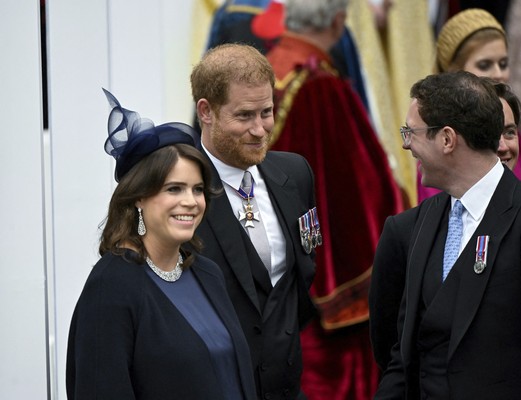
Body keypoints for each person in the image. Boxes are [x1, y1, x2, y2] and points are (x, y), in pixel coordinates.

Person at [371, 71, 521, 399]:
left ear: (447, 139)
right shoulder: (416, 225)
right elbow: (400, 356)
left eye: (412, 132)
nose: (405, 143)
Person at [66, 90, 256, 399]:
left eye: (197, 190)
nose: (190, 202)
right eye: (174, 189)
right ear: (139, 196)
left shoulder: (207, 274)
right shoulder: (111, 286)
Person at [265, 0, 404, 399]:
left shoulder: (270, 69)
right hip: (322, 299)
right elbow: (350, 189)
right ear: (339, 21)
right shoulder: (318, 85)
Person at [190, 43, 318, 400]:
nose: (260, 130)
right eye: (245, 116)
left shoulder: (295, 173)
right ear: (207, 111)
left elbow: (303, 271)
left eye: (266, 112)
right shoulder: (178, 192)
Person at [369, 79, 521, 372]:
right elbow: (395, 355)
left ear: (447, 139)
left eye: (509, 132)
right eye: (494, 134)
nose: (501, 146)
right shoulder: (406, 232)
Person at [418, 8, 521, 202]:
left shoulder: (513, 134)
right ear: (454, 72)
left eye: (503, 63)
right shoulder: (440, 145)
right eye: (484, 65)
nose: (499, 74)